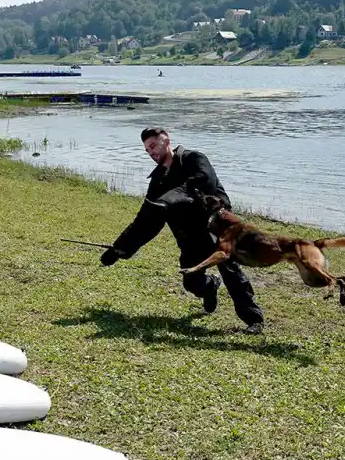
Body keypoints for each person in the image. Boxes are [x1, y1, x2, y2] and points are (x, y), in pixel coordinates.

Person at [100, 127, 265, 333]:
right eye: (147, 151)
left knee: (231, 271)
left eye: (153, 146)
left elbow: (205, 179)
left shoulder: (194, 159)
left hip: (217, 228)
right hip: (190, 237)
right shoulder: (158, 180)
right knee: (191, 282)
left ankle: (253, 320)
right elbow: (146, 220)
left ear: (166, 139)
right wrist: (118, 250)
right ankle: (210, 285)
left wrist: (171, 198)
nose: (151, 152)